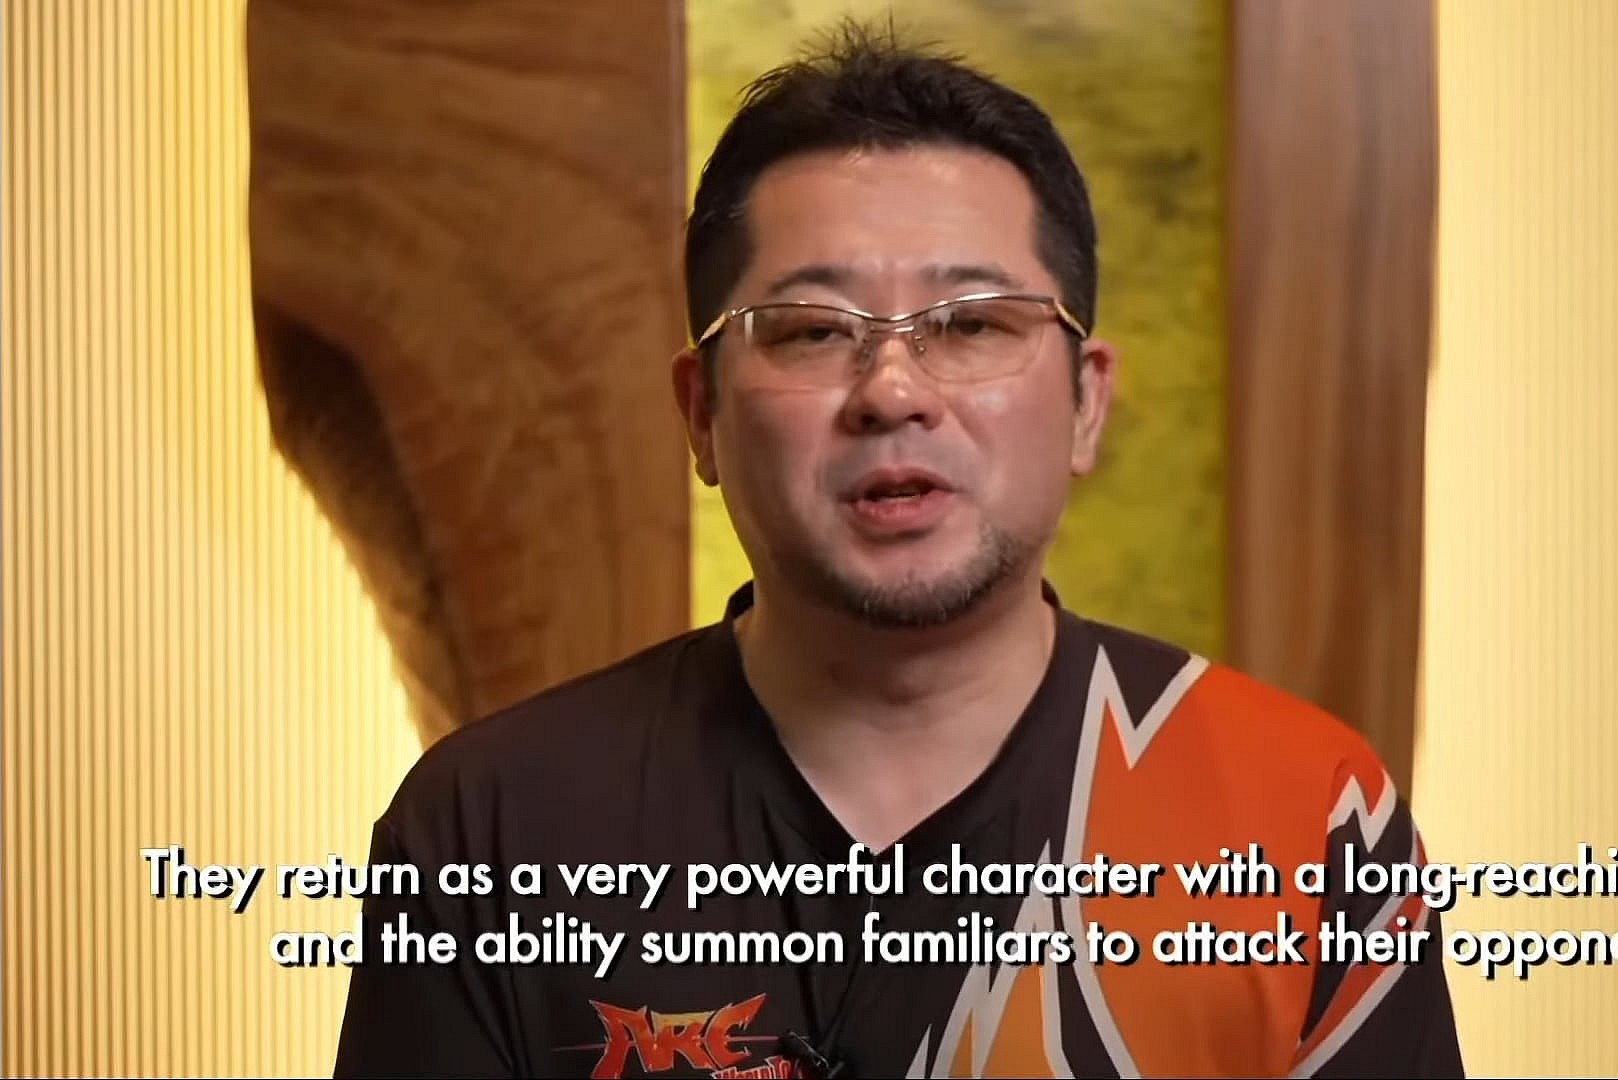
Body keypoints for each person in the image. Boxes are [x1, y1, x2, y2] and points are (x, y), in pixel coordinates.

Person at [333, 21, 1464, 1080]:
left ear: (1085, 403)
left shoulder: (1307, 820)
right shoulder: (491, 829)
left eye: (971, 324)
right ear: (701, 414)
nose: (892, 391)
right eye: (813, 331)